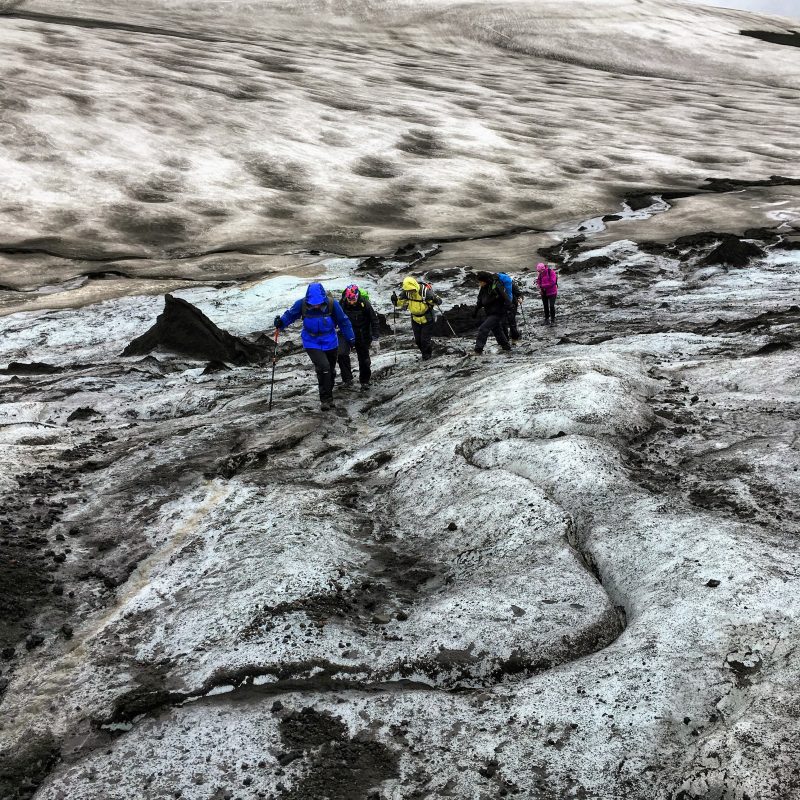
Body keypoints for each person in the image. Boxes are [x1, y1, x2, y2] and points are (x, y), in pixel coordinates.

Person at [274, 282, 355, 411]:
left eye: (318, 303)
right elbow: (290, 315)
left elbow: (343, 321)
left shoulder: (332, 304)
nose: (316, 305)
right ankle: (325, 399)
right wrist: (281, 323)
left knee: (331, 371)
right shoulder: (302, 304)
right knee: (324, 367)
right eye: (313, 303)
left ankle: (328, 395)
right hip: (311, 341)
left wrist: (351, 338)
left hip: (330, 341)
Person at [337, 284, 380, 391]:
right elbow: (335, 317)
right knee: (341, 354)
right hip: (346, 332)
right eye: (349, 299)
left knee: (364, 359)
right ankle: (347, 380)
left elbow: (374, 321)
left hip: (362, 334)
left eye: (354, 299)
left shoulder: (364, 304)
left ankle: (365, 381)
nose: (352, 302)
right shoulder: (342, 303)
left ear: (357, 296)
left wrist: (375, 339)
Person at [391, 277, 441, 361]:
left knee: (424, 341)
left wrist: (435, 300)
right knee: (418, 341)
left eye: (411, 290)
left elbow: (439, 301)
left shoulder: (425, 292)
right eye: (408, 290)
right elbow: (399, 303)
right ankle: (426, 354)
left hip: (427, 319)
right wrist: (394, 300)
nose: (410, 292)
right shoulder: (406, 293)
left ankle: (427, 357)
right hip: (415, 319)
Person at [472, 271, 512, 355]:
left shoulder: (496, 286)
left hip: (497, 313)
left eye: (480, 281)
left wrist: (507, 309)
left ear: (485, 280)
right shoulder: (483, 288)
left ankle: (478, 350)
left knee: (483, 328)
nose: (479, 283)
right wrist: (475, 311)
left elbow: (506, 298)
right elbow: (480, 301)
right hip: (490, 313)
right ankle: (506, 347)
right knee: (497, 330)